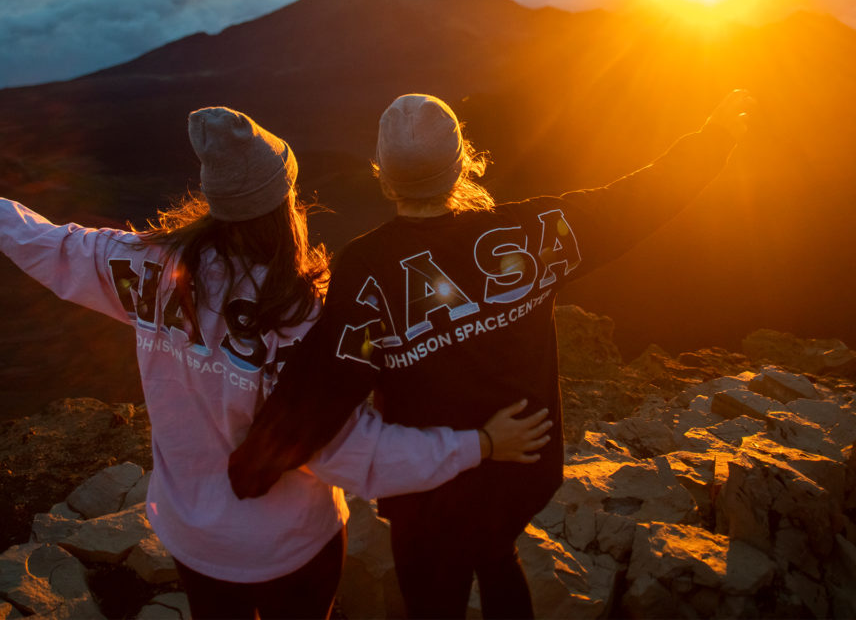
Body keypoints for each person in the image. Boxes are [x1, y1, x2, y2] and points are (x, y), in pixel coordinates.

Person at [0, 107, 551, 620]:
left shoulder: (148, 267)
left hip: (193, 536)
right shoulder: (302, 319)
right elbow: (351, 454)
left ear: (214, 201)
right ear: (284, 204)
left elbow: (50, 246)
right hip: (293, 542)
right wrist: (479, 443)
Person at [229, 90, 756, 619]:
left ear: (384, 176)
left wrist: (253, 466)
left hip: (433, 491)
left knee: (434, 593)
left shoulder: (368, 268)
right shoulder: (531, 233)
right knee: (495, 550)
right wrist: (712, 142)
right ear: (462, 167)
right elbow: (631, 203)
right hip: (525, 468)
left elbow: (329, 380)